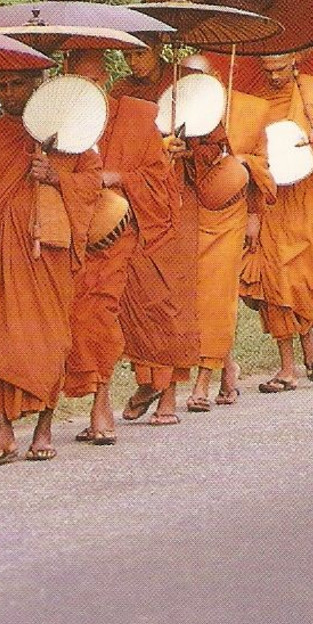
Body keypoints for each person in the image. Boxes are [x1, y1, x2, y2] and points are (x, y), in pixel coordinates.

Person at [0, 70, 101, 463]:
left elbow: (92, 183)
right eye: (0, 86)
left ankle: (43, 429)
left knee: (49, 339)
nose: (7, 94)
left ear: (36, 85)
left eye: (16, 85)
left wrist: (55, 177)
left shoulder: (68, 133)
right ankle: (3, 431)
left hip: (48, 255)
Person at [63, 49, 174, 443]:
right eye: (80, 82)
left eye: (96, 81)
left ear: (107, 79)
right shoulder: (59, 121)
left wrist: (119, 177)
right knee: (73, 318)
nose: (89, 89)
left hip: (118, 234)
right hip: (72, 237)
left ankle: (102, 402)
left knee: (102, 313)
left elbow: (160, 181)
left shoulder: (137, 117)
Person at [241, 51, 313, 387]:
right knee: (272, 279)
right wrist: (252, 212)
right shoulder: (254, 101)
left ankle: (310, 350)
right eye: (266, 69)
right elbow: (248, 153)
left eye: (280, 69)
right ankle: (289, 366)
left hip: (308, 199)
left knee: (299, 279)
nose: (273, 77)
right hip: (269, 199)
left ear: (296, 61)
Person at [111, 48, 198, 427]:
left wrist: (188, 148)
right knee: (139, 300)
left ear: (161, 47)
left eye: (140, 54)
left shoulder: (189, 83)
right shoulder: (121, 93)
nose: (134, 63)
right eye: (127, 55)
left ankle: (170, 396)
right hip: (133, 207)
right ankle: (148, 382)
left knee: (172, 298)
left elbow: (216, 144)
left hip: (178, 202)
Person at [189, 57, 274, 411]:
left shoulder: (252, 110)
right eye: (189, 78)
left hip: (231, 212)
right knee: (195, 295)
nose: (196, 83)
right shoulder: (180, 111)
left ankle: (203, 379)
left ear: (218, 78)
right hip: (190, 211)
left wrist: (255, 213)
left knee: (217, 292)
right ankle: (227, 366)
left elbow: (263, 164)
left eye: (202, 77)